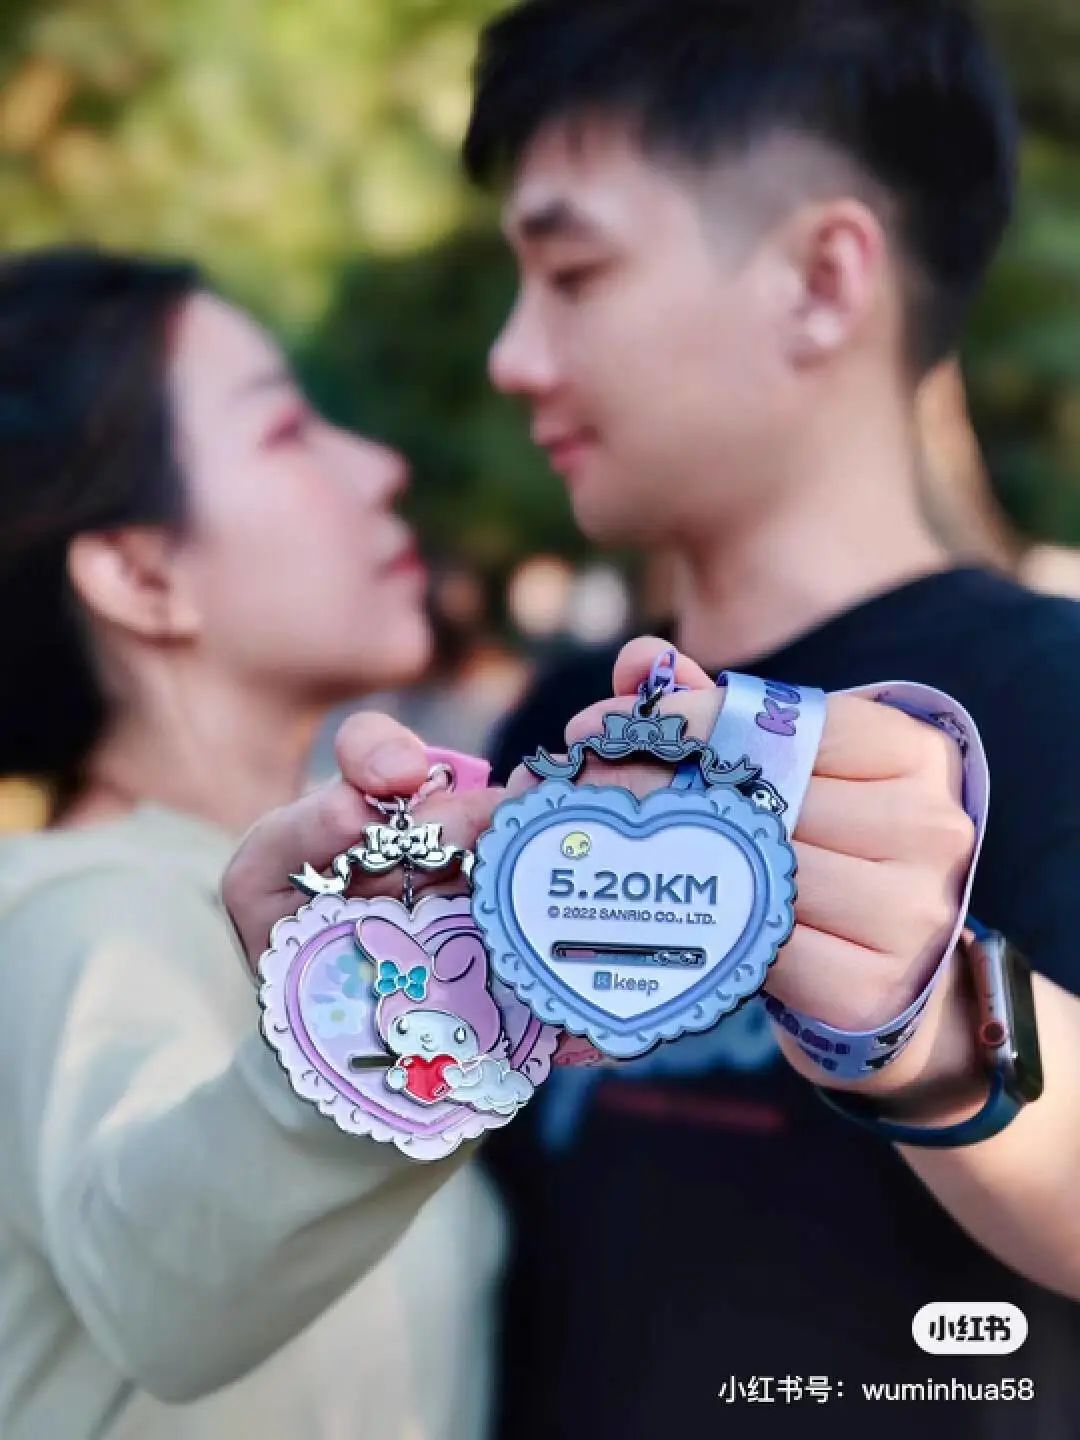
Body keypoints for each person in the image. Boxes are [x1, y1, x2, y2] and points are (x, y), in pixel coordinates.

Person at [453, 0, 1080, 1433]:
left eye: (572, 272)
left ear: (821, 279)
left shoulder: (1051, 699)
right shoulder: (558, 716)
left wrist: (923, 1024)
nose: (514, 356)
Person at [0, 247, 506, 1440]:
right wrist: (397, 1021)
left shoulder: (306, 882)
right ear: (140, 573)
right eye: (285, 430)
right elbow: (160, 1277)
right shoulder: (71, 911)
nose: (380, 467)